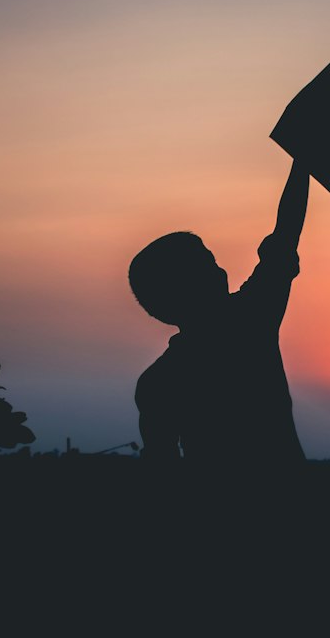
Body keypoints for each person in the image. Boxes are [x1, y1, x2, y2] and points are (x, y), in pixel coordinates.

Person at [129, 159, 309, 466]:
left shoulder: (158, 382)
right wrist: (304, 160)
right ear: (186, 287)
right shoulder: (249, 321)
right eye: (207, 263)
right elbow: (286, 233)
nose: (220, 269)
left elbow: (160, 464)